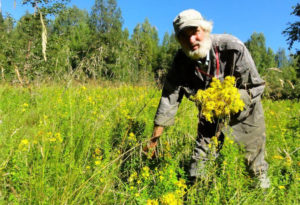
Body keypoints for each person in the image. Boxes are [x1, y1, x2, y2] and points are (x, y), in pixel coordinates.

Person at [144, 9, 270, 189]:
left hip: (245, 112)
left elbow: (255, 86)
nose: (191, 40)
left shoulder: (232, 47)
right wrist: (154, 140)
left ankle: (261, 195)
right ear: (179, 41)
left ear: (205, 29)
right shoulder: (181, 61)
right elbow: (169, 97)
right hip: (209, 115)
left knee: (254, 164)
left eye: (195, 32)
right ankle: (196, 193)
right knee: (200, 162)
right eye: (183, 36)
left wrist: (231, 100)